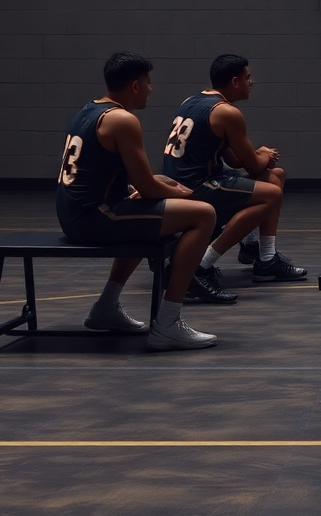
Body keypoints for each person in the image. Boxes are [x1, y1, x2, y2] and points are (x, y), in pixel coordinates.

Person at [56, 52, 218, 351]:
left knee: (151, 208)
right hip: (94, 219)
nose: (150, 88)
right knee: (204, 213)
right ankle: (168, 324)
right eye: (148, 82)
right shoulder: (123, 119)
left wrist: (152, 187)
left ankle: (106, 306)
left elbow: (101, 173)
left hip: (74, 214)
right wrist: (182, 193)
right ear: (134, 85)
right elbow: (147, 187)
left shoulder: (90, 110)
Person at [162, 54, 305, 304]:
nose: (252, 83)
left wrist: (258, 155)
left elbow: (235, 159)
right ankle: (202, 267)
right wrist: (263, 154)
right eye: (248, 78)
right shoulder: (227, 112)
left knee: (276, 177)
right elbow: (251, 163)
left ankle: (264, 257)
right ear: (235, 81)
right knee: (272, 193)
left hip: (190, 179)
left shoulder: (193, 101)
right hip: (196, 187)